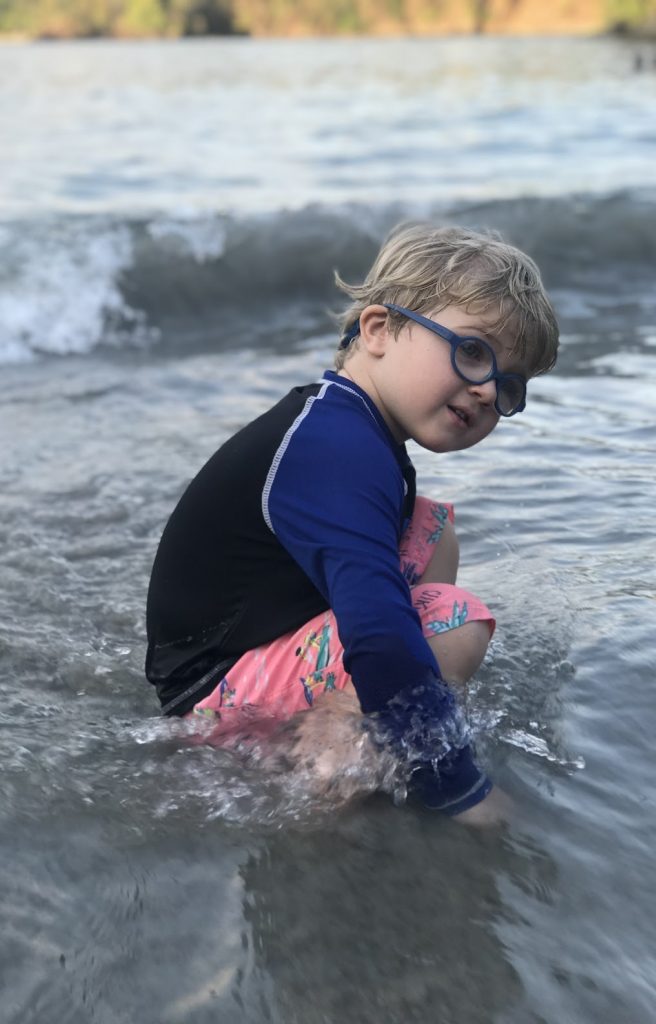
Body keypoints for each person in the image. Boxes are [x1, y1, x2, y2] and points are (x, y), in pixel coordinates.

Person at [144, 222, 559, 822]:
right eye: (473, 352)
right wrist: (458, 788)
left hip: (238, 645)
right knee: (453, 621)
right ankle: (334, 749)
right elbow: (382, 629)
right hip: (210, 693)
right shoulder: (334, 447)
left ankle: (360, 709)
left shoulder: (347, 424)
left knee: (431, 530)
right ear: (380, 329)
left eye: (510, 384)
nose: (490, 391)